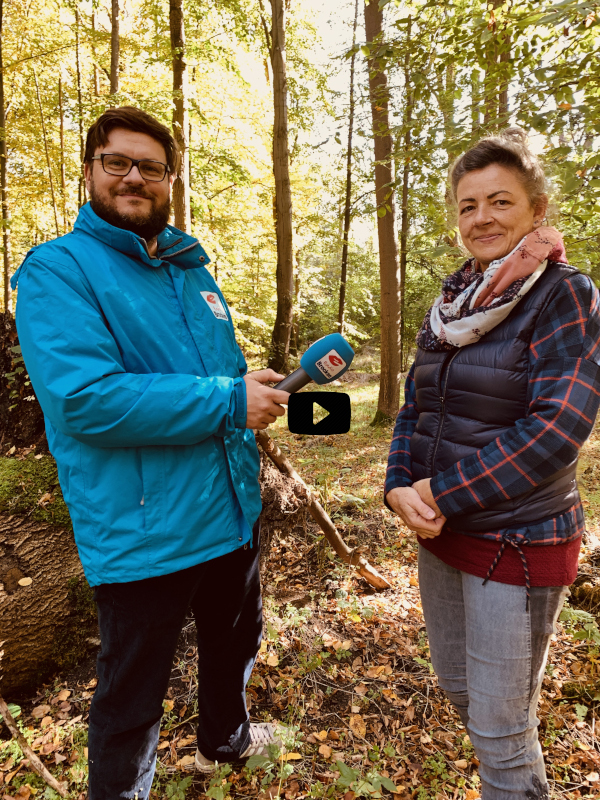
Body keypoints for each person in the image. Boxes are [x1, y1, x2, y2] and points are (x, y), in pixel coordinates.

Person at [12, 106, 290, 799]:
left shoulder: (190, 269)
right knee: (132, 697)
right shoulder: (57, 271)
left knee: (235, 645)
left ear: (170, 179)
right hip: (143, 528)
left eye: (152, 166)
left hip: (229, 509)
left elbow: (216, 374)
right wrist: (228, 400)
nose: (135, 177)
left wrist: (248, 390)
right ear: (89, 171)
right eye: (118, 162)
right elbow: (86, 401)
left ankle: (224, 741)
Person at [384, 128, 600, 800]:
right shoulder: (453, 302)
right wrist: (397, 486)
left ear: (538, 210)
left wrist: (441, 493)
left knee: (502, 733)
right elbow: (415, 407)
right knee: (460, 688)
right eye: (468, 205)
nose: (482, 217)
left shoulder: (566, 294)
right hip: (443, 535)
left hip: (518, 538)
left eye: (500, 201)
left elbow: (558, 428)